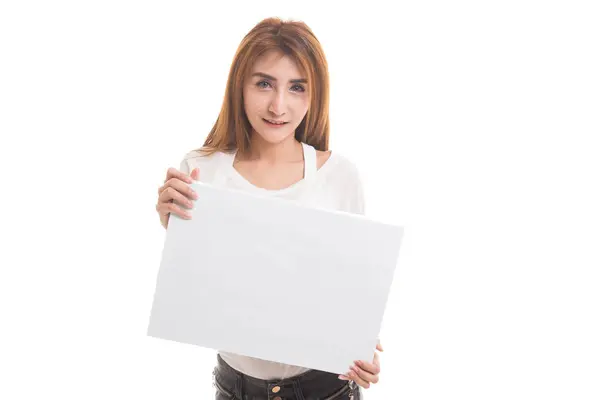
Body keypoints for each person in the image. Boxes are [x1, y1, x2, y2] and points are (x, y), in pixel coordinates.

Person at [155, 17, 383, 400]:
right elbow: (204, 287)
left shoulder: (340, 176)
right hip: (236, 388)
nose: (279, 106)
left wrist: (362, 349)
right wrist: (172, 226)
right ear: (239, 87)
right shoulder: (201, 169)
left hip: (325, 389)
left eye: (297, 87)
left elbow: (348, 293)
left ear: (314, 96)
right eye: (264, 83)